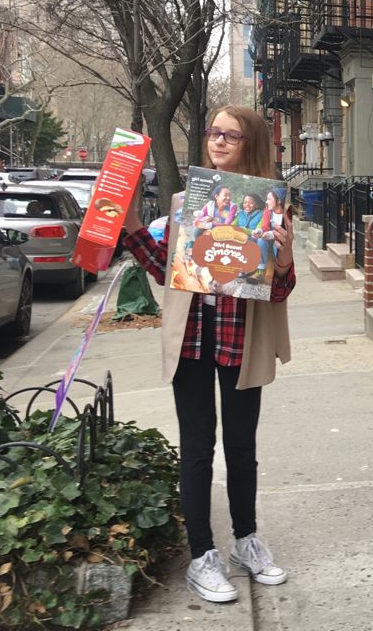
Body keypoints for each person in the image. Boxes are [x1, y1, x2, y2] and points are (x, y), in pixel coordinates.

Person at [122, 106, 297, 604]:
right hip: (193, 340)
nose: (218, 142)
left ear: (252, 144)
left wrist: (281, 256)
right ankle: (202, 555)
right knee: (197, 450)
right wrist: (130, 218)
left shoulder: (269, 206)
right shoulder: (184, 202)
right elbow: (163, 268)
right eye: (214, 133)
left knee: (242, 448)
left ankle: (246, 541)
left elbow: (279, 291)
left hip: (242, 342)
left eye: (231, 136)